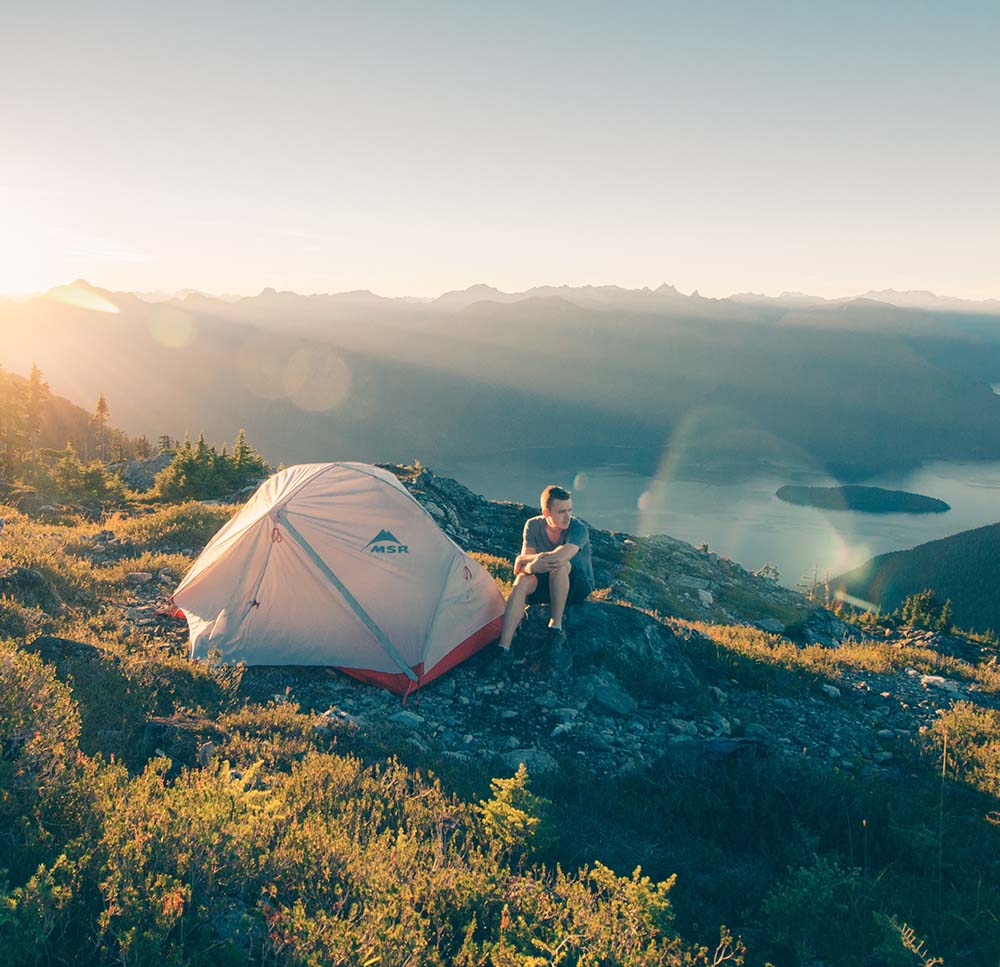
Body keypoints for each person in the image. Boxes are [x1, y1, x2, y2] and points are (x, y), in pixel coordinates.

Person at [497, 484, 593, 656]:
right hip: (545, 583)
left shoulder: (578, 529)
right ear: (546, 513)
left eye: (569, 510)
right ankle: (503, 647)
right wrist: (530, 566)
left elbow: (558, 558)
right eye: (561, 512)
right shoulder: (533, 525)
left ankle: (555, 628)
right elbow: (521, 569)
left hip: (576, 586)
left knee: (559, 565)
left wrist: (529, 563)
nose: (567, 517)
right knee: (521, 581)